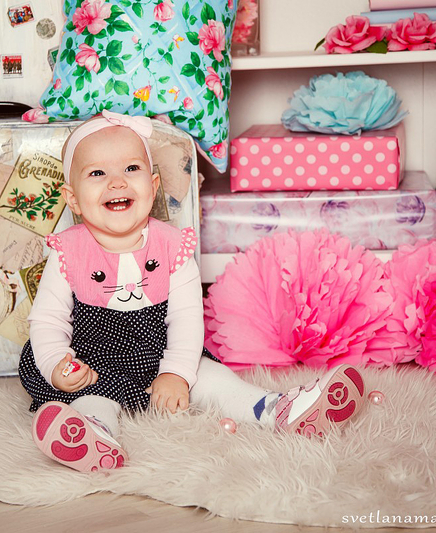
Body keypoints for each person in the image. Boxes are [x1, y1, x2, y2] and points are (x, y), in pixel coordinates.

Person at [18, 110, 365, 473]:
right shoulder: (67, 251)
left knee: (211, 377)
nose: (117, 182)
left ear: (153, 186)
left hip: (160, 355)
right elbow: (47, 320)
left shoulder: (173, 245)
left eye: (131, 168)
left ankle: (278, 409)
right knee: (89, 395)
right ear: (72, 198)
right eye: (97, 173)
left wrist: (177, 373)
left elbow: (186, 318)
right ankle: (92, 433)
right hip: (94, 364)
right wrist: (57, 364)